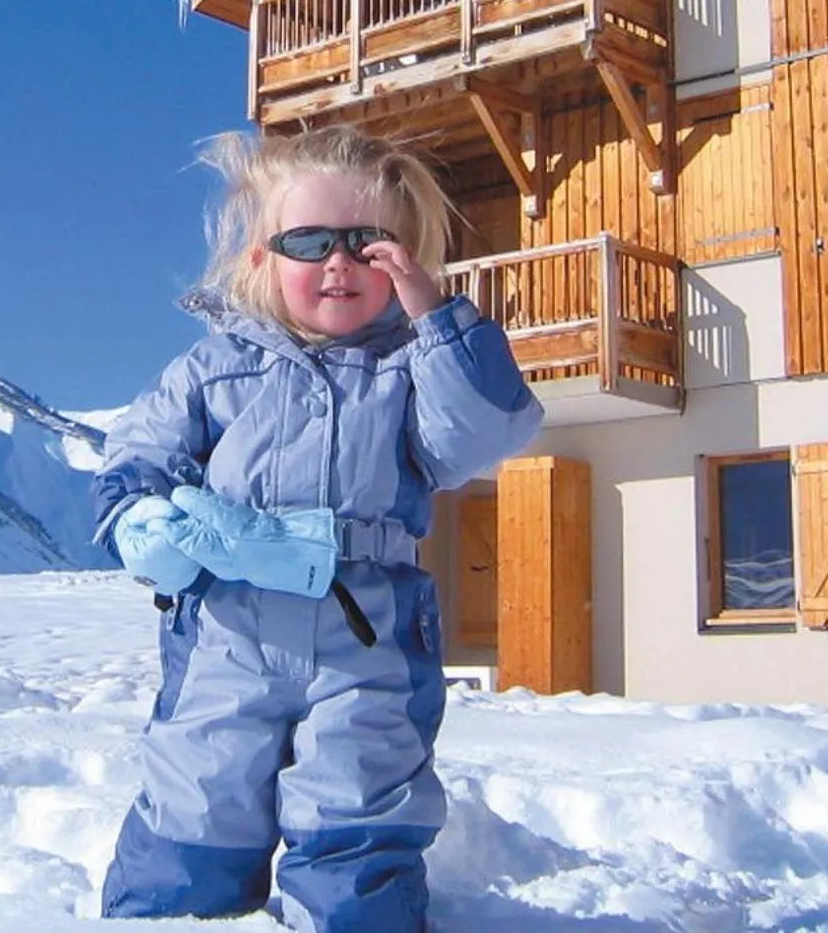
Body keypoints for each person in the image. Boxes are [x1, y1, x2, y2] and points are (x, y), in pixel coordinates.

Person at [92, 123, 543, 933]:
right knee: (199, 797)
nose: (339, 261)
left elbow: (490, 434)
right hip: (228, 632)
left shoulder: (415, 367)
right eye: (309, 240)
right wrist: (141, 517)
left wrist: (437, 320)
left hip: (367, 635)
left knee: (358, 803)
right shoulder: (215, 367)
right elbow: (139, 452)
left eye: (369, 243)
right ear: (263, 258)